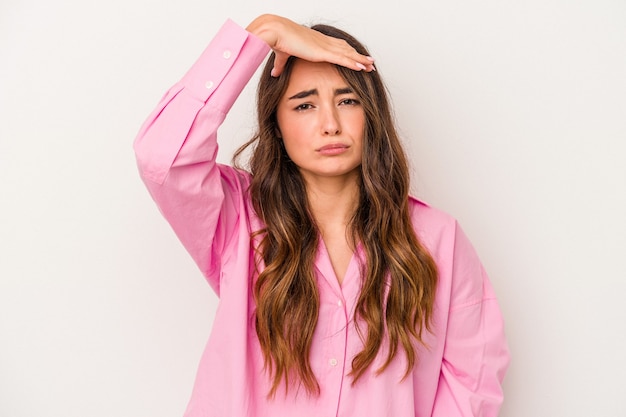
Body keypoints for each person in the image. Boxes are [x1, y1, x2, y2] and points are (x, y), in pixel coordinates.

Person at [133, 14, 510, 417]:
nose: (330, 124)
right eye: (305, 104)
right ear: (276, 124)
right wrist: (262, 34)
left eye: (347, 101)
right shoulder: (238, 219)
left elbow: (471, 387)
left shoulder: (437, 240)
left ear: (372, 116)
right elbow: (162, 157)